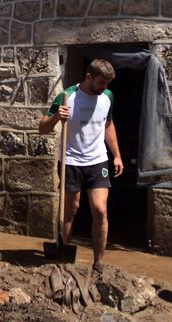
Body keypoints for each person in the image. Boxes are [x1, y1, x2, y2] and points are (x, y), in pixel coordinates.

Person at [38, 59, 124, 269]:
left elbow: (108, 124)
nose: (104, 88)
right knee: (71, 209)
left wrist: (117, 155)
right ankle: (63, 259)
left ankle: (98, 262)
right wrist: (57, 116)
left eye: (107, 83)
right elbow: (42, 128)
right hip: (71, 161)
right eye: (101, 82)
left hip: (97, 160)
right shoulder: (67, 96)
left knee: (100, 210)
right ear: (88, 77)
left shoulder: (107, 97)